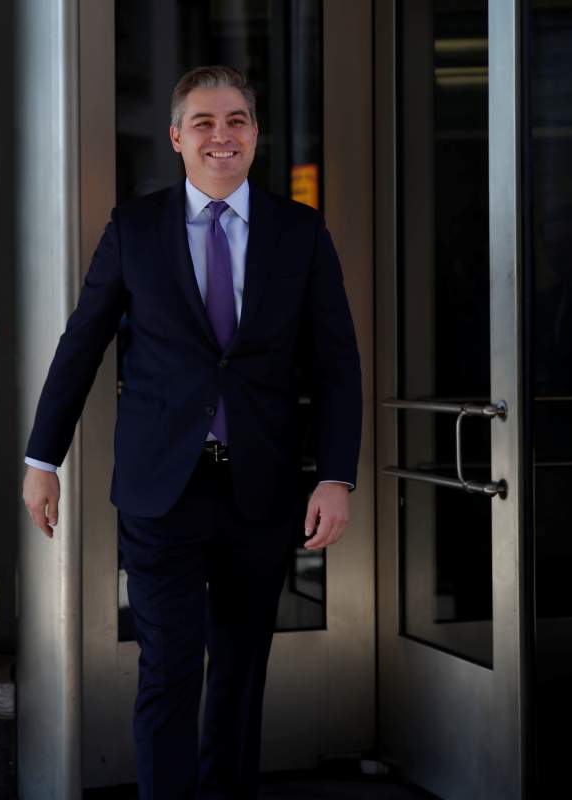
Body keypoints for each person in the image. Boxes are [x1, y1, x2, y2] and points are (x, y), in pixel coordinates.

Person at [21, 65, 362, 800]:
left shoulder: (298, 232)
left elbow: (337, 361)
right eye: (204, 122)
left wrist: (336, 475)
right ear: (177, 137)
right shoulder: (134, 229)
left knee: (239, 674)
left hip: (260, 489)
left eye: (236, 120)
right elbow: (81, 343)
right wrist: (41, 457)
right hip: (161, 491)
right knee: (170, 670)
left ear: (255, 136)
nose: (222, 135)